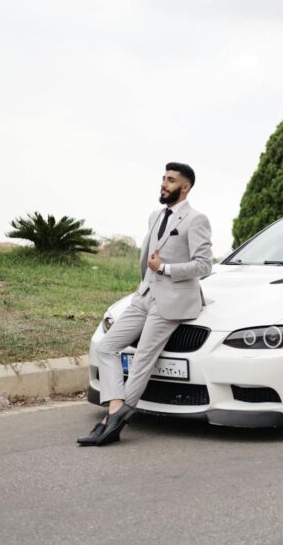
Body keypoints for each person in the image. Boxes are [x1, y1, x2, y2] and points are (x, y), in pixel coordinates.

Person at [77, 162, 213, 446]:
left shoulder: (196, 220)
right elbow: (146, 260)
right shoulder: (155, 216)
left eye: (171, 180)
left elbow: (204, 265)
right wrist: (146, 282)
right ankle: (116, 409)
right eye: (163, 178)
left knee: (142, 360)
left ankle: (111, 425)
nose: (164, 184)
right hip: (144, 295)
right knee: (107, 346)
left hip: (172, 300)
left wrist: (164, 269)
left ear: (185, 187)